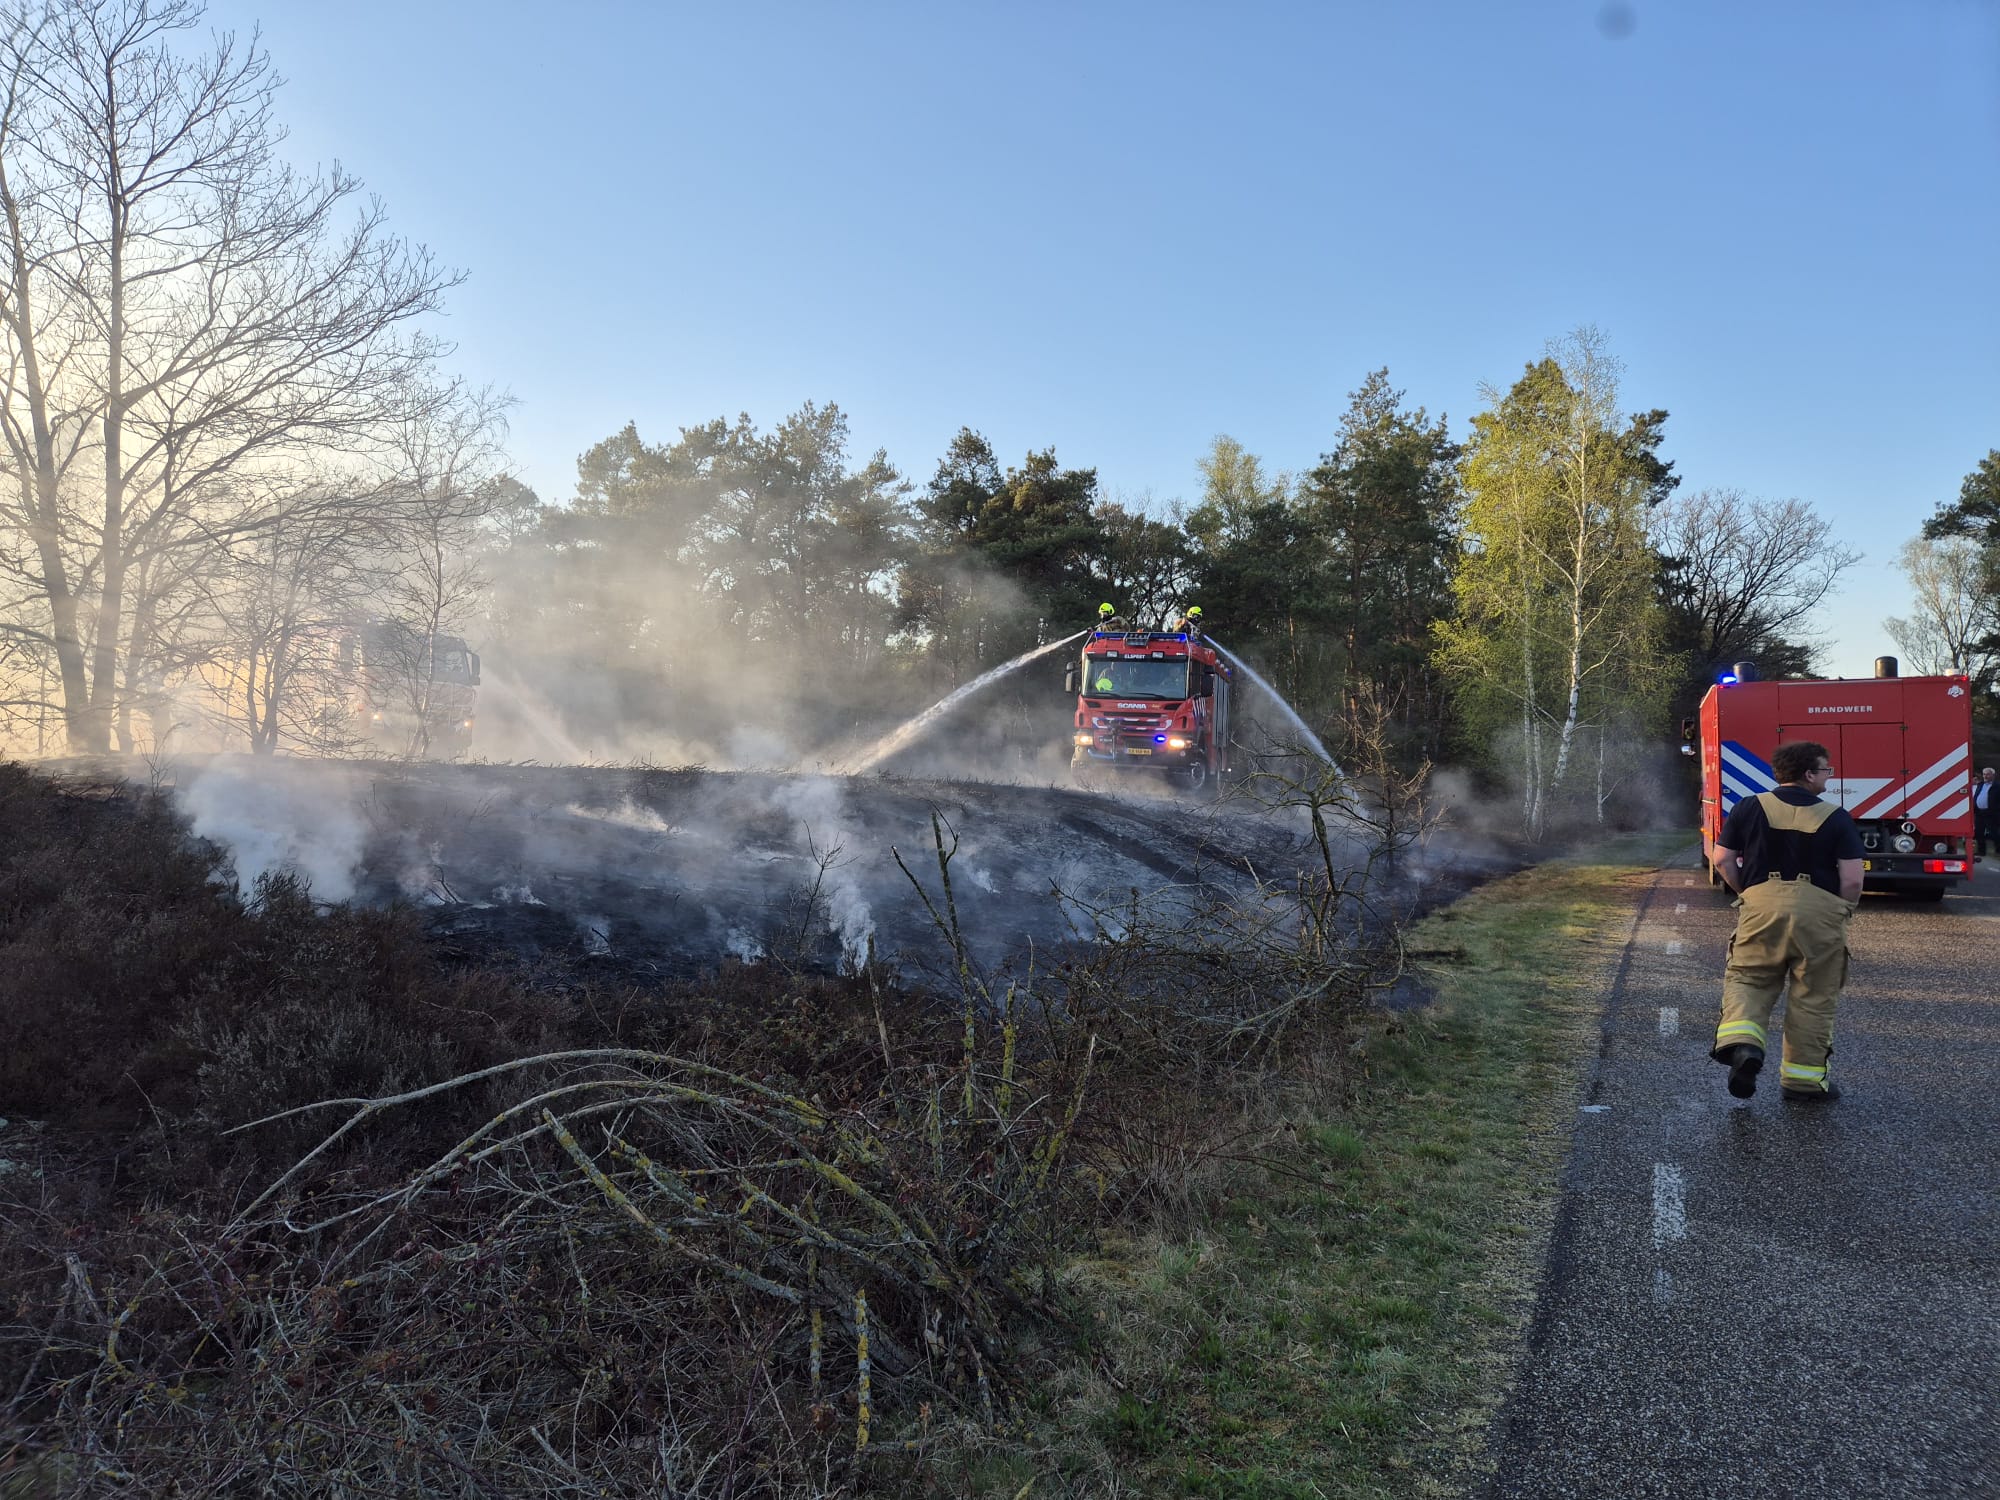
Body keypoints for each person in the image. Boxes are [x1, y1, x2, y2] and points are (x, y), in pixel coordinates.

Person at [1709, 740, 1864, 1103]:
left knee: (1749, 979)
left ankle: (1744, 1045)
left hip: (1760, 908)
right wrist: (1842, 910)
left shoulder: (1748, 807)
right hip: (1820, 914)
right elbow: (1853, 879)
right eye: (1825, 770)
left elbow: (1722, 859)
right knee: (1813, 996)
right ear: (1809, 775)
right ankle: (1802, 1083)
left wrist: (1748, 893)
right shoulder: (1836, 816)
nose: (1828, 776)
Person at [1974, 766, 1998, 860]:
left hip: (1991, 813)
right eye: (1984, 774)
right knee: (1979, 832)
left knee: (1994, 833)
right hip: (1979, 812)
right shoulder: (1980, 785)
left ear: (1993, 775)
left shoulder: (1997, 786)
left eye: (1987, 774)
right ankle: (1981, 851)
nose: (1985, 776)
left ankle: (1998, 850)